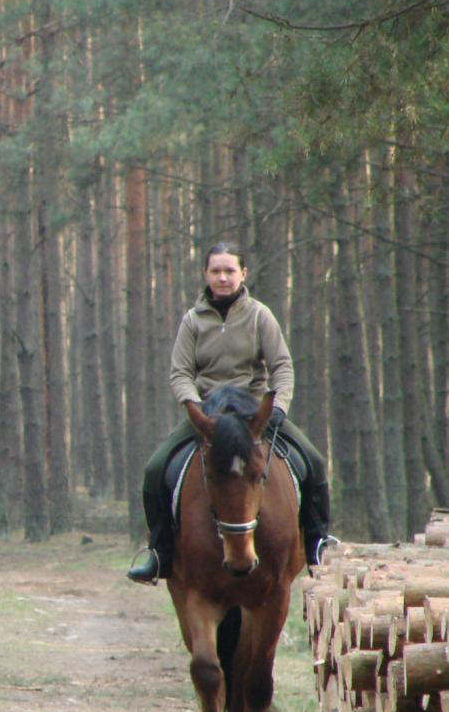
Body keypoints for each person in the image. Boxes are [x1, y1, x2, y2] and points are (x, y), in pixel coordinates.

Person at [127, 241, 334, 585]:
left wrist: (278, 407)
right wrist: (193, 408)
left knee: (313, 461)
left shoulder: (259, 316)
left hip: (254, 412)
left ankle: (317, 543)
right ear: (205, 275)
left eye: (229, 271)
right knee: (154, 470)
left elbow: (282, 365)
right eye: (216, 271)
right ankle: (160, 552)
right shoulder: (192, 321)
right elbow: (180, 372)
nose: (223, 277)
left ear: (243, 274)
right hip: (209, 414)